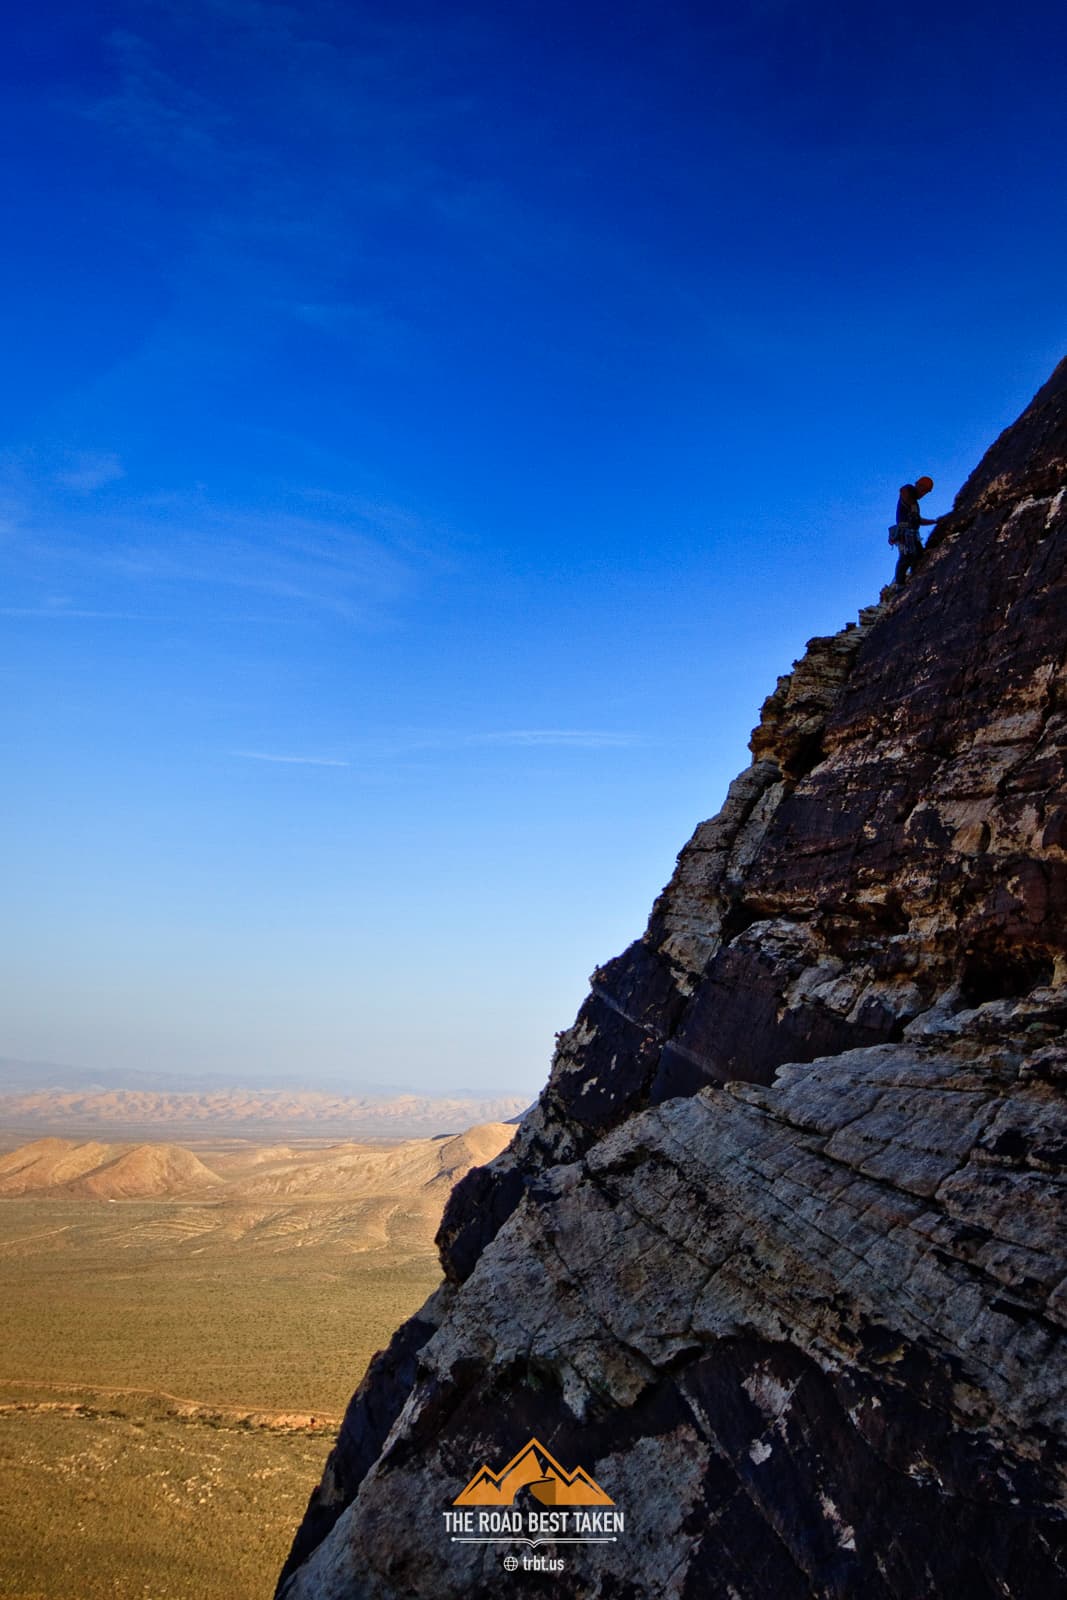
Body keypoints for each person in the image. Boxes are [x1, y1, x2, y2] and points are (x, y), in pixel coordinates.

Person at [891, 475, 938, 586]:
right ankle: (900, 585)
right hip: (904, 532)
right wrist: (912, 504)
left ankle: (914, 576)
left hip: (912, 533)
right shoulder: (909, 491)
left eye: (926, 492)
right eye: (923, 490)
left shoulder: (915, 504)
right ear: (918, 486)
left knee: (919, 555)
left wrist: (933, 521)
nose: (923, 494)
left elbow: (918, 520)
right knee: (906, 556)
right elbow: (902, 490)